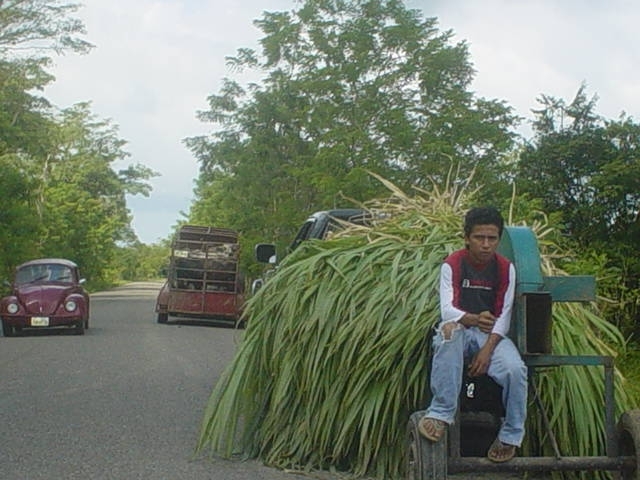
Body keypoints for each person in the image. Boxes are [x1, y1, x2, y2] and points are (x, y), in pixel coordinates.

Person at [419, 206, 528, 463]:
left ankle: (510, 434)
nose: (486, 245)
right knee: (448, 332)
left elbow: (504, 315)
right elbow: (448, 310)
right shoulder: (453, 264)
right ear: (467, 238)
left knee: (515, 370)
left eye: (492, 239)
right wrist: (472, 318)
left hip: (489, 336)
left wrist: (487, 351)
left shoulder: (505, 268)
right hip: (460, 330)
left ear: (499, 240)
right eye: (480, 238)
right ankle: (442, 412)